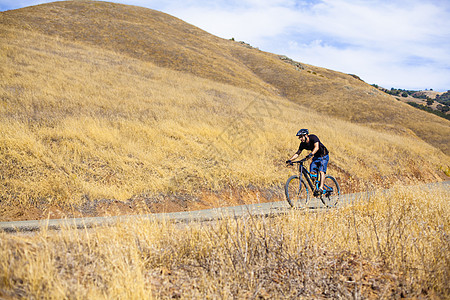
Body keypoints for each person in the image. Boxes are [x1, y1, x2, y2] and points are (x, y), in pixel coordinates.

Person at [286, 129, 329, 196]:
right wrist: (290, 160)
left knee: (321, 171)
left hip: (323, 156)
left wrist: (311, 154)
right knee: (312, 173)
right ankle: (316, 187)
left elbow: (316, 147)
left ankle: (321, 188)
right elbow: (298, 153)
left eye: (301, 137)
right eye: (299, 137)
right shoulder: (302, 144)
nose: (300, 139)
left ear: (306, 135)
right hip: (316, 157)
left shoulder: (313, 137)